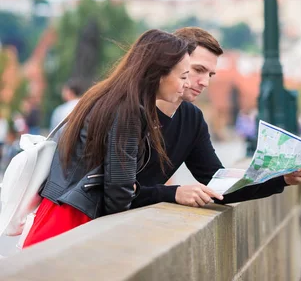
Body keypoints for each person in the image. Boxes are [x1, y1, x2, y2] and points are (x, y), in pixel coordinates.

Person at [22, 29, 193, 247]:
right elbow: (119, 191)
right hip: (76, 222)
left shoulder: (105, 95)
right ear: (159, 72)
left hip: (58, 211)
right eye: (183, 76)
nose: (186, 84)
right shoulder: (129, 110)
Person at [132, 27, 301, 209]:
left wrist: (281, 178)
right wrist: (173, 193)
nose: (205, 82)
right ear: (174, 63)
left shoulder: (192, 118)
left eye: (210, 74)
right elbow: (116, 189)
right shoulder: (130, 111)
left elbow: (219, 187)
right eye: (198, 70)